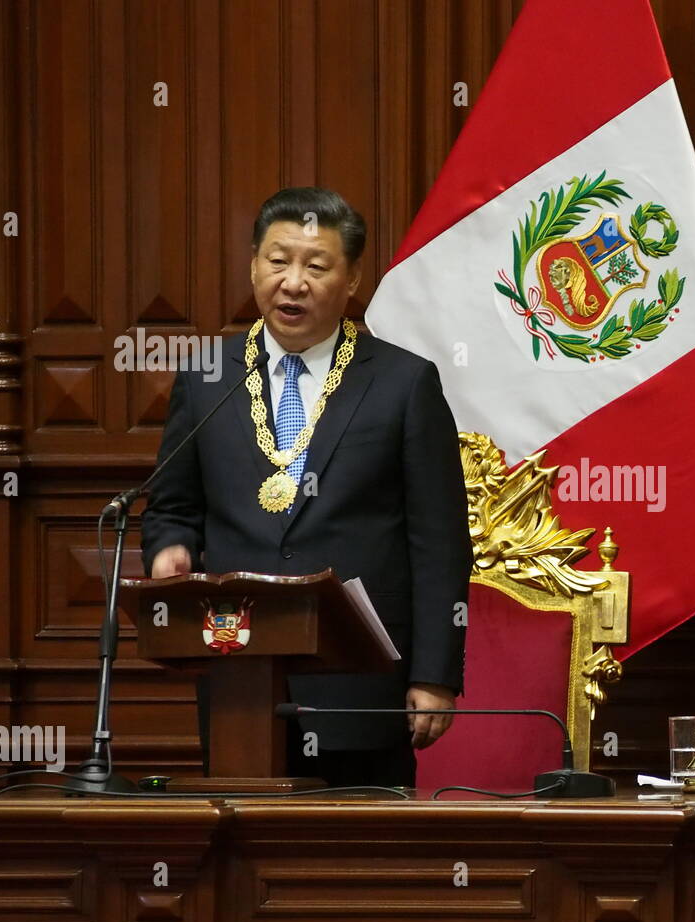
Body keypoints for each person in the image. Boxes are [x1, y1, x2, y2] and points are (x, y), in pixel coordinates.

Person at [140, 187, 473, 787]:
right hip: (238, 671)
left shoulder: (403, 383)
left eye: (316, 266)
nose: (292, 282)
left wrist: (435, 675)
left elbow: (440, 541)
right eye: (277, 261)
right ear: (252, 266)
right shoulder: (206, 377)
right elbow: (173, 506)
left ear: (350, 280)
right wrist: (170, 547)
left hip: (362, 683)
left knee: (356, 863)